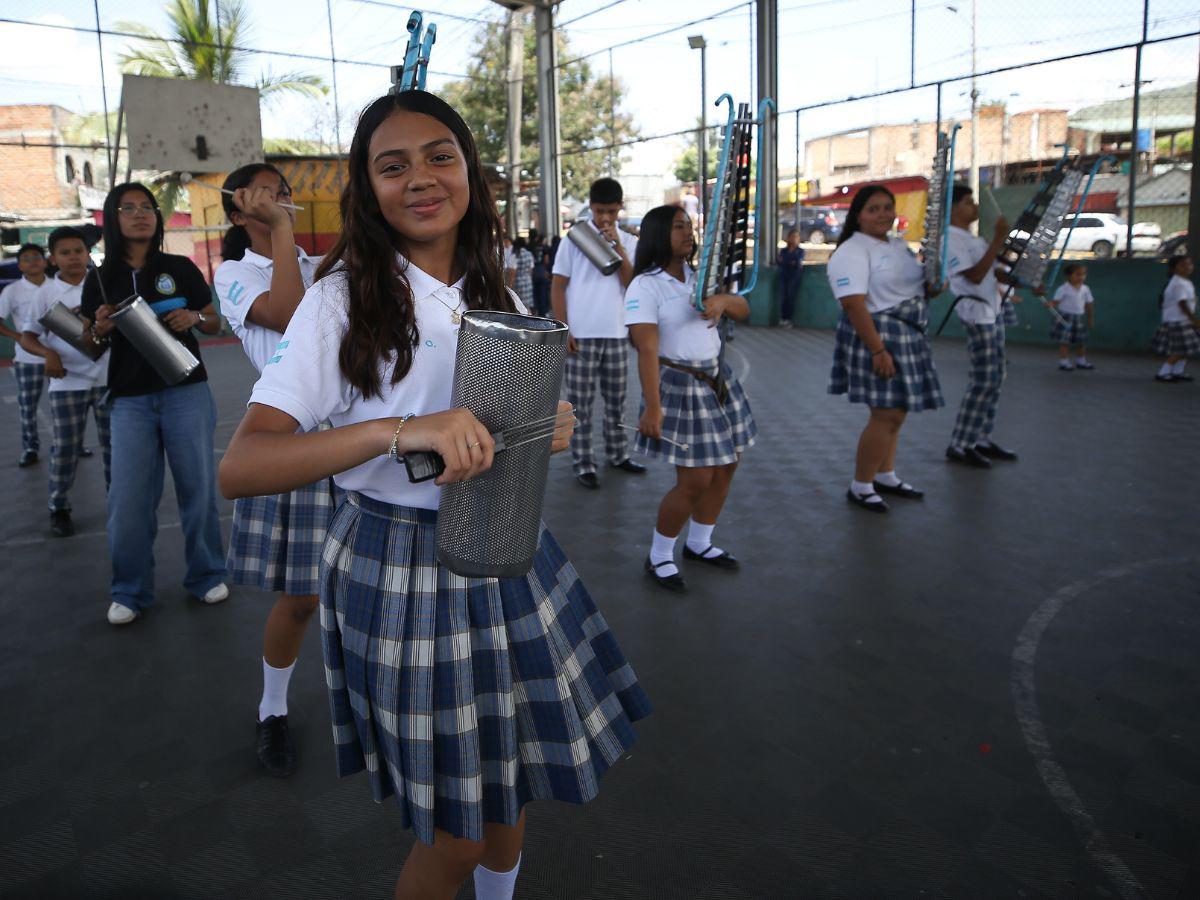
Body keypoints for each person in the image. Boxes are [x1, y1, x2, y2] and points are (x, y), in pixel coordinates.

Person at [218, 90, 650, 900]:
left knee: (510, 795)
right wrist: (400, 431)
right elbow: (242, 466)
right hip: (401, 564)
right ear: (367, 190)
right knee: (454, 836)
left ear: (471, 175)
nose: (420, 178)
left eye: (439, 156)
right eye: (393, 165)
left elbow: (494, 423)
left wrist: (541, 426)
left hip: (508, 546)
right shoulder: (340, 299)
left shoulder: (500, 285)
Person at [212, 162, 338, 777]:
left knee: (371, 585)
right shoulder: (234, 273)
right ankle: (272, 709)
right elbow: (289, 316)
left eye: (283, 191)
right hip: (290, 438)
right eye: (262, 192)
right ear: (238, 211)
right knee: (302, 599)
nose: (278, 199)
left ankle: (366, 701)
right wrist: (284, 234)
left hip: (353, 436)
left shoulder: (323, 268)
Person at [81, 182, 228, 626]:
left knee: (198, 489)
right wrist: (100, 327)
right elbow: (89, 343)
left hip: (186, 391)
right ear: (113, 217)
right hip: (129, 400)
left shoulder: (179, 267)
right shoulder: (99, 278)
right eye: (128, 208)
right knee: (127, 500)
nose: (140, 214)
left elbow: (213, 319)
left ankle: (206, 575)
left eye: (147, 207)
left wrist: (194, 318)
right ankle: (130, 589)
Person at [626, 205, 755, 592]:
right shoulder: (644, 286)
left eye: (688, 225)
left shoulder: (699, 278)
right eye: (677, 226)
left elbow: (743, 308)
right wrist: (653, 406)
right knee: (696, 479)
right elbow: (646, 349)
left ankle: (699, 543)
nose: (687, 232)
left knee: (728, 465)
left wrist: (723, 302)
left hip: (716, 377)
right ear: (657, 234)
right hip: (679, 383)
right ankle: (660, 555)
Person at [826, 185, 943, 513]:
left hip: (908, 335)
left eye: (887, 208)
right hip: (879, 336)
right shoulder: (851, 251)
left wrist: (934, 285)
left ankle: (885, 475)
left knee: (897, 410)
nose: (882, 215)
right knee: (886, 413)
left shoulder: (898, 246)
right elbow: (853, 304)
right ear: (859, 216)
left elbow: (918, 288)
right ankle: (861, 485)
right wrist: (878, 350)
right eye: (873, 209)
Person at [551, 178, 647, 489]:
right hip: (581, 335)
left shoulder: (629, 242)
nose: (606, 217)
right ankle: (584, 463)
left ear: (620, 208)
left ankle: (618, 455)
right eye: (600, 210)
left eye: (612, 211)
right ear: (590, 207)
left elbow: (632, 285)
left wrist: (617, 246)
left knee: (617, 402)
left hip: (617, 335)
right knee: (581, 405)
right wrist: (564, 329)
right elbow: (558, 285)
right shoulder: (574, 240)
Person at [18, 227, 111, 537]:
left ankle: (119, 504)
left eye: (78, 251)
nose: (73, 257)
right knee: (66, 448)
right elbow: (28, 337)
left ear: (88, 254)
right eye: (65, 252)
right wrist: (48, 354)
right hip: (67, 383)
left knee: (115, 448)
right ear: (53, 259)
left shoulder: (102, 284)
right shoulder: (45, 292)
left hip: (108, 380)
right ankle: (59, 506)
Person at [943, 185, 1018, 468]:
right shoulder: (951, 240)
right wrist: (998, 239)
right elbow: (974, 276)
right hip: (976, 313)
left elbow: (992, 270)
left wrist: (1019, 278)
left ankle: (981, 437)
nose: (974, 206)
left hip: (991, 310)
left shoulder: (972, 240)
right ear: (953, 209)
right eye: (968, 202)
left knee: (996, 376)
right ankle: (961, 443)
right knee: (983, 380)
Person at [1, 243, 50, 467]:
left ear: (45, 261)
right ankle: (30, 447)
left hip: (61, 356)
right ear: (20, 265)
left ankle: (72, 444)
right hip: (28, 359)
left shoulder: (56, 286)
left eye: (36, 257)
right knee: (28, 406)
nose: (32, 261)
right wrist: (19, 337)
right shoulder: (11, 291)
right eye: (27, 258)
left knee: (67, 405)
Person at [1151, 255, 1198, 383]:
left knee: (1187, 349)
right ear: (1174, 268)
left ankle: (1177, 371)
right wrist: (1194, 320)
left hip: (1183, 321)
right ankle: (1164, 373)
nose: (1188, 267)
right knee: (1179, 350)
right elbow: (1182, 303)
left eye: (1189, 264)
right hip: (1177, 321)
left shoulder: (1185, 282)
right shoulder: (1177, 283)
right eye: (1183, 265)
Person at [1049, 263, 1095, 370]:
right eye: (1078, 274)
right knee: (1065, 341)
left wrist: (1090, 318)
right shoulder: (1063, 288)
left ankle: (1081, 361)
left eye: (1084, 274)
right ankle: (1064, 362)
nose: (1082, 277)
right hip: (1065, 318)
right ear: (1068, 276)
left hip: (1078, 318)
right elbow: (1056, 301)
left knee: (1082, 341)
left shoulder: (1085, 289)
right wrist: (1051, 304)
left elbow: (1089, 304)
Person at [777, 229, 804, 328]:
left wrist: (786, 261)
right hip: (783, 275)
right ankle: (782, 318)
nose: (794, 239)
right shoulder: (784, 250)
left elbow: (797, 263)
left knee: (790, 297)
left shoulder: (800, 251)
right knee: (783, 297)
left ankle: (788, 319)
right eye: (792, 237)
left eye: (796, 237)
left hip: (794, 276)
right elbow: (779, 261)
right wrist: (789, 261)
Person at [509, 235, 535, 312]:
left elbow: (512, 272)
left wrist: (510, 286)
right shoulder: (529, 254)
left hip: (518, 283)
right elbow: (531, 270)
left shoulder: (515, 255)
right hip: (527, 281)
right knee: (527, 306)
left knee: (519, 306)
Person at [528, 228, 551, 317]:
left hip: (532, 273)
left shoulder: (527, 246)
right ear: (536, 236)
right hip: (541, 271)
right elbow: (546, 261)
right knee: (542, 293)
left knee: (533, 294)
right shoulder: (542, 246)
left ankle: (534, 314)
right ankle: (543, 314)